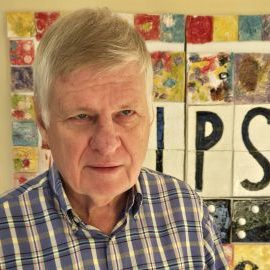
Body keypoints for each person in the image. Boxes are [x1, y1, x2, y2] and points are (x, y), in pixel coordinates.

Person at [0, 8, 228, 269]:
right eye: (82, 116)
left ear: (150, 116)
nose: (107, 144)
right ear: (43, 124)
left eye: (126, 112)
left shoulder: (187, 210)